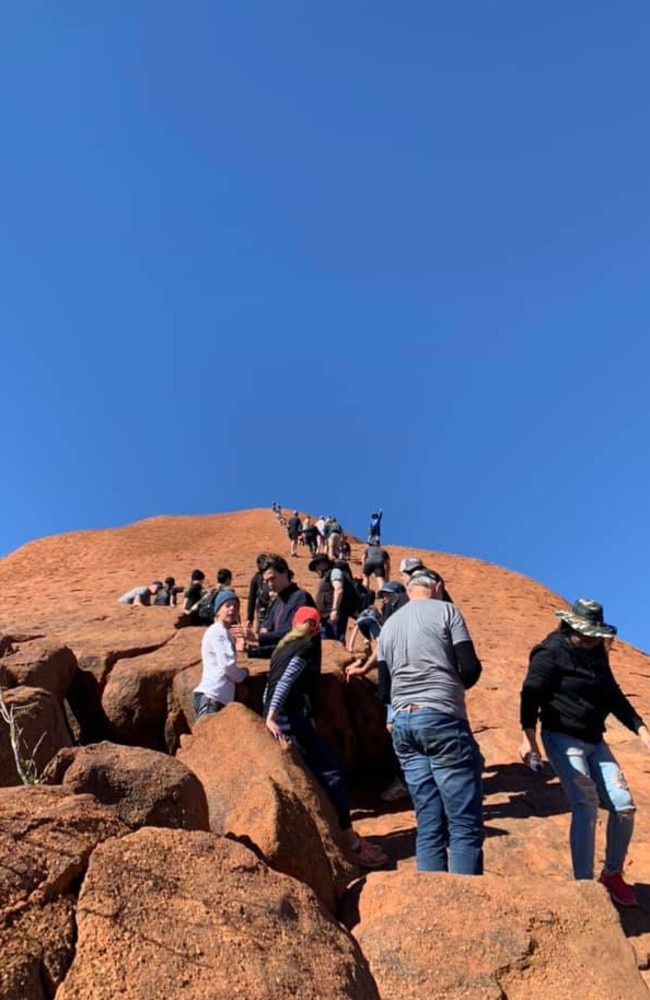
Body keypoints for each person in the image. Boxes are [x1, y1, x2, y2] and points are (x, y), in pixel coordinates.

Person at [519, 598, 650, 907]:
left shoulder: (597, 653)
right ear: (571, 625)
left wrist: (642, 730)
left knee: (624, 806)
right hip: (562, 738)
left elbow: (613, 695)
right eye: (585, 632)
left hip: (595, 740)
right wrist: (528, 737)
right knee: (586, 803)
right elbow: (531, 694)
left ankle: (612, 874)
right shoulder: (550, 653)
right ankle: (584, 887)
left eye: (594, 633)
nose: (590, 638)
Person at [263, 606, 388, 869]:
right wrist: (273, 716)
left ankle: (338, 836)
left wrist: (269, 710)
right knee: (331, 771)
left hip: (288, 717)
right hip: (288, 720)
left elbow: (271, 683)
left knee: (314, 774)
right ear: (316, 626)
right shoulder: (305, 647)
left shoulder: (283, 647)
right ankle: (350, 844)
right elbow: (285, 681)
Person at [377, 571, 484, 874]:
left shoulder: (388, 627)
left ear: (408, 591)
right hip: (442, 717)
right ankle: (467, 905)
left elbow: (383, 690)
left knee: (428, 820)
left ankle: (435, 901)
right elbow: (471, 667)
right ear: (438, 588)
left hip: (403, 725)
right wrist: (449, 686)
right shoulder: (446, 610)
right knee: (464, 823)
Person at [193, 590, 249, 719]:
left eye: (235, 606)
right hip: (212, 697)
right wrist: (243, 674)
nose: (232, 609)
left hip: (217, 697)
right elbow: (227, 665)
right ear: (218, 611)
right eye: (227, 605)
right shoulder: (218, 631)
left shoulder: (223, 632)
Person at [247, 554, 315, 657]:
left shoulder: (301, 598)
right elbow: (273, 639)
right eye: (266, 581)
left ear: (285, 572)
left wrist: (259, 638)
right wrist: (251, 650)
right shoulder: (276, 602)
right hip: (282, 662)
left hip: (298, 666)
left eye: (272, 578)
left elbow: (295, 635)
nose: (269, 584)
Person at [309, 553, 356, 643]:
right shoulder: (326, 575)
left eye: (316, 564)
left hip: (333, 614)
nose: (316, 568)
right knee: (328, 640)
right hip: (326, 616)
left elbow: (338, 589)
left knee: (335, 640)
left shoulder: (334, 572)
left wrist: (334, 610)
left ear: (324, 562)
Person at [246, 553, 272, 632]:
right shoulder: (257, 579)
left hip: (269, 608)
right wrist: (250, 618)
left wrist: (250, 618)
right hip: (263, 610)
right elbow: (252, 599)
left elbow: (252, 599)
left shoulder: (272, 577)